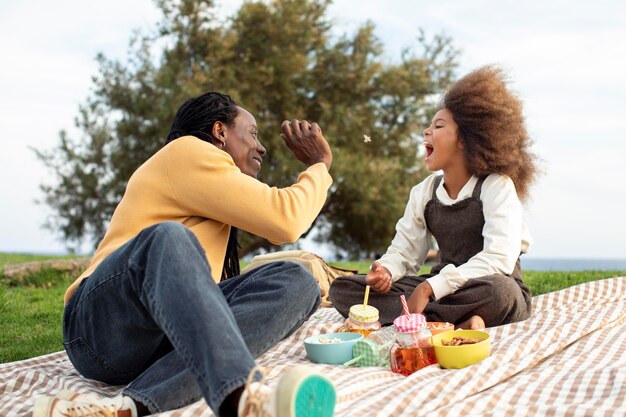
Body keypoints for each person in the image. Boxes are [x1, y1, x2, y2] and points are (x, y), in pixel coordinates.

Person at [33, 92, 336, 417]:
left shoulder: (211, 186)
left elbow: (283, 226)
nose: (261, 147)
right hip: (100, 327)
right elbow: (285, 220)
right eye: (252, 133)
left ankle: (127, 407)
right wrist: (319, 165)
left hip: (161, 341)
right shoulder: (188, 152)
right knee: (169, 238)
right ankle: (240, 397)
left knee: (296, 281)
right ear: (220, 132)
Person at [329, 66, 538, 330]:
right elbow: (405, 251)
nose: (427, 132)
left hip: (487, 285)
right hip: (442, 292)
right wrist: (386, 271)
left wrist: (430, 287)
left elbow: (498, 258)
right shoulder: (424, 192)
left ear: (465, 140)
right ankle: (457, 321)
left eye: (438, 126)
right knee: (343, 289)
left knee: (502, 294)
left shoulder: (496, 186)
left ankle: (418, 317)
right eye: (429, 126)